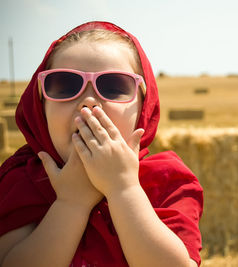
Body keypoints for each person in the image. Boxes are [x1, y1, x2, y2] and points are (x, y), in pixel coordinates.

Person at [0, 21, 203, 267]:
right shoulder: (20, 181)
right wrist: (71, 202)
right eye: (64, 85)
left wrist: (123, 189)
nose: (88, 102)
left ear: (143, 106)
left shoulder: (167, 181)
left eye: (114, 86)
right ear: (40, 106)